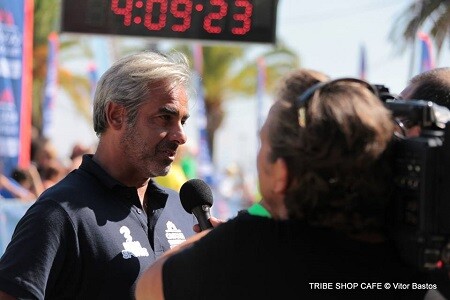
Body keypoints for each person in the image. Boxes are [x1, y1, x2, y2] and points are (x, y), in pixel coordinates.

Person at [135, 74, 449, 300]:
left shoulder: (244, 251)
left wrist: (228, 231)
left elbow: (149, 286)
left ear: (282, 175)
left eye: (263, 143)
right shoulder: (416, 256)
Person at [0, 50, 200, 299]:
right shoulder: (59, 213)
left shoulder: (182, 211)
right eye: (165, 118)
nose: (180, 136)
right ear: (116, 115)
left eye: (182, 121)